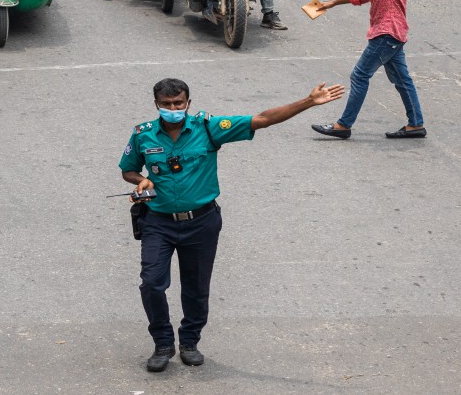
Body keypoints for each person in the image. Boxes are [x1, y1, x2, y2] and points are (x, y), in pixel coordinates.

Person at [120, 77, 345, 372]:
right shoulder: (143, 134)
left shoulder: (208, 128)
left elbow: (261, 119)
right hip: (158, 223)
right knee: (151, 283)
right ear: (156, 105)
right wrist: (142, 180)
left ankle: (189, 342)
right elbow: (128, 170)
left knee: (196, 286)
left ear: (188, 103)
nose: (173, 109)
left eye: (178, 103)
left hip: (201, 223)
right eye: (166, 104)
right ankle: (162, 343)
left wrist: (308, 101)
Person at [310, 0, 426, 140]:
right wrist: (333, 2)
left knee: (360, 75)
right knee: (402, 80)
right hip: (392, 33)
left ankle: (343, 125)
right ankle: (416, 124)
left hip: (387, 33)